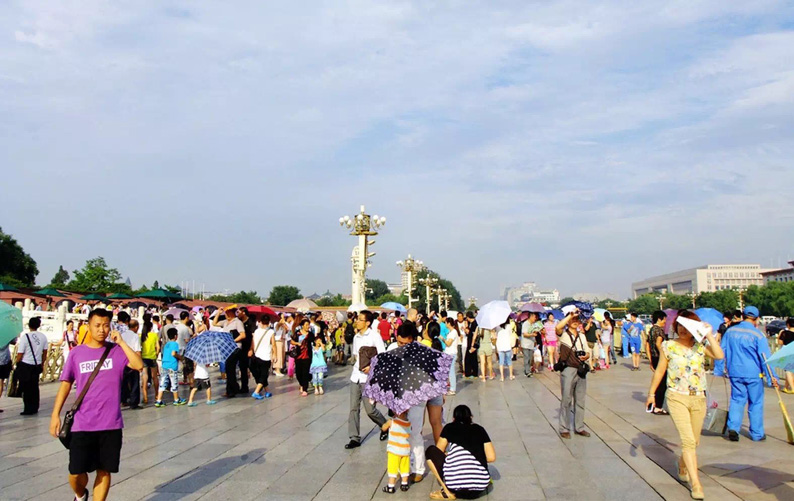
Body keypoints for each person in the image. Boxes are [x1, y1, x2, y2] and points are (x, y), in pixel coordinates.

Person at [49, 308, 144, 501]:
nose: (102, 330)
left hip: (110, 423)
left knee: (104, 470)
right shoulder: (77, 353)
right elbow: (65, 384)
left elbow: (138, 365)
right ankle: (80, 494)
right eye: (97, 325)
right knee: (76, 472)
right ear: (88, 326)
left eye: (106, 325)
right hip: (82, 423)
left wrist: (122, 342)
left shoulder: (117, 351)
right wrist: (54, 415)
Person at [646, 310, 724, 500]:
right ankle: (696, 484)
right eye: (679, 326)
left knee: (694, 441)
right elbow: (660, 371)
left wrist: (709, 335)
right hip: (676, 397)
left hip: (698, 398)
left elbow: (719, 355)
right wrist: (651, 394)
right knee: (688, 441)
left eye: (687, 327)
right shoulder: (669, 346)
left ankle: (682, 465)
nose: (682, 330)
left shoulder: (700, 346)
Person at [722, 306, 778, 442]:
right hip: (753, 373)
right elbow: (765, 358)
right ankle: (757, 433)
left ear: (743, 316)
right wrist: (772, 377)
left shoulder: (730, 332)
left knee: (737, 399)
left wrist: (719, 369)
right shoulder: (758, 335)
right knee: (755, 402)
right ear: (757, 318)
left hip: (735, 371)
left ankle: (733, 427)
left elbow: (721, 350)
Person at [425, 405, 495, 500]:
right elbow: (491, 457)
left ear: (453, 418)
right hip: (480, 487)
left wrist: (450, 455)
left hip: (454, 486)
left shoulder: (449, 428)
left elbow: (438, 451)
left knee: (430, 451)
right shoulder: (479, 429)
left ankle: (447, 491)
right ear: (471, 417)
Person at [346, 310, 388, 449]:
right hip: (355, 376)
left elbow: (382, 356)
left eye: (360, 319)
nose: (357, 321)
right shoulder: (356, 337)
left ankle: (384, 424)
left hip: (368, 379)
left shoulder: (375, 336)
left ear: (367, 322)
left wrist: (371, 367)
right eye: (357, 319)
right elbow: (356, 356)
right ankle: (354, 437)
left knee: (370, 410)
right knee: (353, 408)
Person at [556, 311, 591, 439]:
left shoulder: (582, 336)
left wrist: (586, 356)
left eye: (577, 319)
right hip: (568, 369)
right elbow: (558, 327)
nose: (575, 321)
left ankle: (579, 427)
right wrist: (570, 315)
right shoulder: (564, 335)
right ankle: (564, 428)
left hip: (581, 369)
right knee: (566, 399)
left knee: (580, 400)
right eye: (573, 319)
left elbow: (587, 351)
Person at [16, 317, 49, 415]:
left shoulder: (25, 337)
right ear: (39, 325)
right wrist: (42, 363)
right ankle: (35, 407)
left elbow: (20, 353)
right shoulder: (43, 337)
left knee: (26, 388)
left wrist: (17, 362)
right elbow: (45, 352)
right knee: (34, 387)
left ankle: (28, 408)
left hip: (26, 364)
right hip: (36, 365)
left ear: (29, 325)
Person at [214, 306, 245, 398]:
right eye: (225, 313)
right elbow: (214, 323)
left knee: (230, 368)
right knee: (228, 369)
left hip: (235, 348)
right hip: (227, 348)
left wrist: (233, 341)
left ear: (232, 313)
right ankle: (232, 389)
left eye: (228, 313)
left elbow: (243, 335)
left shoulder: (237, 322)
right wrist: (218, 313)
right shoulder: (225, 322)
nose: (226, 315)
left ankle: (232, 390)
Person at [154, 328, 186, 407]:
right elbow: (173, 353)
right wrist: (180, 357)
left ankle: (158, 400)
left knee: (162, 383)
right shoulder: (175, 344)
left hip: (164, 365)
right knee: (174, 382)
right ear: (175, 336)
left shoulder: (166, 345)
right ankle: (176, 399)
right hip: (172, 366)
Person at [381, 411, 412, 493]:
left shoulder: (391, 422)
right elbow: (410, 432)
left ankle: (391, 486)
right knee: (404, 467)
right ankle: (404, 484)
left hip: (394, 450)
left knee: (393, 468)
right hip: (405, 450)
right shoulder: (408, 423)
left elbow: (383, 428)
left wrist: (386, 424)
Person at [646, 311, 668, 415]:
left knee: (657, 381)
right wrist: (664, 355)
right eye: (664, 320)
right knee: (662, 383)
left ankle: (654, 402)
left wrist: (650, 360)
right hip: (660, 358)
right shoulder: (659, 330)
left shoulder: (651, 329)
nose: (665, 322)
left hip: (654, 357)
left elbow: (647, 345)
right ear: (659, 319)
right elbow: (658, 344)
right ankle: (658, 406)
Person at [250, 316, 275, 400]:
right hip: (266, 356)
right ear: (269, 322)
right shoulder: (271, 331)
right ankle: (256, 392)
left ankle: (267, 391)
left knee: (261, 374)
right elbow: (273, 345)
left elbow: (253, 342)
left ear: (261, 322)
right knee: (264, 375)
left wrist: (251, 350)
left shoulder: (256, 331)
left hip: (257, 355)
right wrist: (274, 355)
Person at [139, 315, 159, 405]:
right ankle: (157, 395)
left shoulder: (141, 336)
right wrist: (156, 354)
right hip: (152, 357)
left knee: (145, 378)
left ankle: (145, 397)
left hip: (144, 358)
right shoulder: (154, 335)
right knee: (155, 377)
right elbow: (158, 347)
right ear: (151, 327)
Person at [291, 319, 314, 396]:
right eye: (306, 325)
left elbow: (314, 341)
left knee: (305, 372)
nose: (308, 326)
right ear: (303, 325)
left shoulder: (310, 334)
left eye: (308, 325)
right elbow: (292, 341)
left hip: (307, 356)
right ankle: (302, 383)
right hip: (298, 356)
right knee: (298, 373)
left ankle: (305, 389)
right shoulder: (297, 333)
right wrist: (297, 343)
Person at [521, 313, 542, 377]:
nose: (535, 319)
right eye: (534, 317)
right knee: (527, 358)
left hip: (531, 344)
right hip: (525, 344)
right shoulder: (525, 324)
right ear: (531, 316)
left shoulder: (533, 324)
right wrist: (532, 335)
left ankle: (527, 370)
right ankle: (527, 372)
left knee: (530, 359)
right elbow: (524, 334)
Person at [442, 318, 459, 394]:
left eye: (446, 323)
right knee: (448, 371)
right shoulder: (450, 332)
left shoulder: (454, 332)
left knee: (451, 372)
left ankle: (453, 389)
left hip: (451, 354)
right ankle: (450, 385)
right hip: (448, 353)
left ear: (449, 323)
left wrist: (442, 339)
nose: (445, 324)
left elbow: (448, 343)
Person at [778, 318, 794, 394]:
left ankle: (793, 388)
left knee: (788, 370)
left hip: (787, 353)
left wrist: (779, 335)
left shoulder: (785, 333)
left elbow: (780, 342)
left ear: (788, 325)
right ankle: (786, 387)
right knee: (791, 370)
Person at [463, 312, 480, 379]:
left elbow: (474, 335)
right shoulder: (470, 323)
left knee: (472, 358)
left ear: (468, 317)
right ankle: (469, 372)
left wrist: (474, 346)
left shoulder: (475, 324)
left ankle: (473, 373)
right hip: (469, 343)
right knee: (470, 358)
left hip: (473, 344)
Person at [0, 341, 11, 413]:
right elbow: (14, 342)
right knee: (0, 383)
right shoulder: (7, 336)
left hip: (3, 361)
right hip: (3, 361)